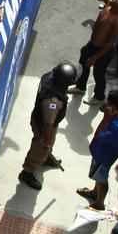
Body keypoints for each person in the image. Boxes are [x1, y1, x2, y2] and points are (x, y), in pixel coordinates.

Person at [18, 61, 77, 190]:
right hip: (43, 125)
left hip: (43, 118)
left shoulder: (49, 77)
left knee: (48, 144)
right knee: (41, 147)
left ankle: (46, 158)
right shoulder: (53, 102)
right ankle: (27, 172)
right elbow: (48, 124)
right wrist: (46, 139)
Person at [77, 89, 118, 211]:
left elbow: (101, 135)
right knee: (98, 176)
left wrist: (106, 117)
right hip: (105, 150)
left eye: (108, 102)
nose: (106, 104)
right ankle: (95, 193)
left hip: (105, 153)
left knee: (102, 178)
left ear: (113, 106)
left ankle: (99, 204)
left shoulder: (117, 127)